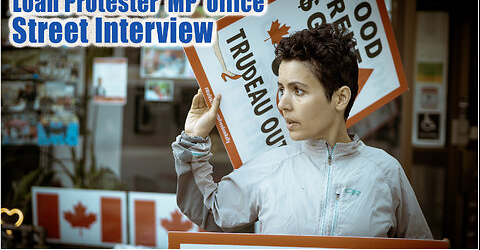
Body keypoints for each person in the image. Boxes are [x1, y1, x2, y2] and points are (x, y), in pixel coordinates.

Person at [172, 24, 433, 238]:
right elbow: (211, 212)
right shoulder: (271, 166)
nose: (282, 103)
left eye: (298, 90)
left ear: (340, 98)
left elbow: (419, 245)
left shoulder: (386, 172)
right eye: (281, 89)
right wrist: (193, 140)